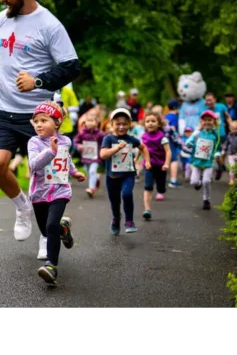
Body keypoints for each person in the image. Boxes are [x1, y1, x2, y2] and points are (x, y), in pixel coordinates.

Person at [0, 0, 81, 242]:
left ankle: (48, 238)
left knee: (46, 182)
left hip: (39, 117)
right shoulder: (0, 20)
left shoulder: (49, 24)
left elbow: (72, 67)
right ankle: (22, 207)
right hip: (4, 109)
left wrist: (38, 82)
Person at [26, 101, 86, 284]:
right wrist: (50, 151)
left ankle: (51, 266)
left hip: (60, 190)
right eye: (36, 121)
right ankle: (63, 229)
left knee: (51, 225)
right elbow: (33, 164)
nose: (38, 124)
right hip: (39, 193)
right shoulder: (34, 142)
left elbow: (65, 159)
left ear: (57, 123)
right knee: (46, 229)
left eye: (44, 120)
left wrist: (74, 172)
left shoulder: (65, 141)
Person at [100, 108, 151, 234]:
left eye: (125, 123)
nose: (121, 127)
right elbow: (103, 154)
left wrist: (147, 161)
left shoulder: (131, 139)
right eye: (118, 123)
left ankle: (129, 221)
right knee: (115, 201)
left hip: (128, 174)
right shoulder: (108, 139)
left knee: (127, 194)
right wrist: (117, 148)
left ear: (129, 124)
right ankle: (116, 218)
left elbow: (143, 148)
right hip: (112, 176)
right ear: (111, 124)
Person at [184, 110, 222, 210]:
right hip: (196, 162)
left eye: (209, 120)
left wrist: (217, 155)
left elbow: (218, 148)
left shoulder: (215, 135)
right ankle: (198, 183)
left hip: (208, 162)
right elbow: (189, 141)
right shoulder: (197, 133)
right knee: (193, 182)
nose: (207, 122)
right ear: (201, 122)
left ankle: (206, 199)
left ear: (214, 121)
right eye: (205, 120)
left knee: (206, 181)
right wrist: (190, 144)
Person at [140, 112, 171, 220]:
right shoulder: (143, 136)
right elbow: (142, 149)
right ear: (144, 124)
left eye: (153, 121)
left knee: (160, 186)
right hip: (149, 165)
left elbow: (168, 151)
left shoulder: (162, 137)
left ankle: (161, 189)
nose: (150, 124)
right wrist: (136, 159)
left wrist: (167, 163)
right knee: (148, 186)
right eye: (147, 121)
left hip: (161, 166)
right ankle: (147, 209)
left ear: (159, 124)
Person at [74, 112, 105, 198]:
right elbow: (76, 141)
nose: (90, 123)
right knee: (89, 173)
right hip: (85, 157)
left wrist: (103, 150)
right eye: (88, 121)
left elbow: (105, 142)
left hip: (95, 157)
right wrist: (79, 146)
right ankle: (97, 179)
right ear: (85, 122)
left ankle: (91, 189)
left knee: (92, 171)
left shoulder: (100, 134)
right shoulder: (82, 133)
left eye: (92, 121)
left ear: (97, 122)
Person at [222, 120, 237, 186]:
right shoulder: (229, 136)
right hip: (231, 154)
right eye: (233, 129)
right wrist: (224, 150)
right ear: (230, 129)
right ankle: (232, 179)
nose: (235, 130)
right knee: (232, 167)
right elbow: (226, 144)